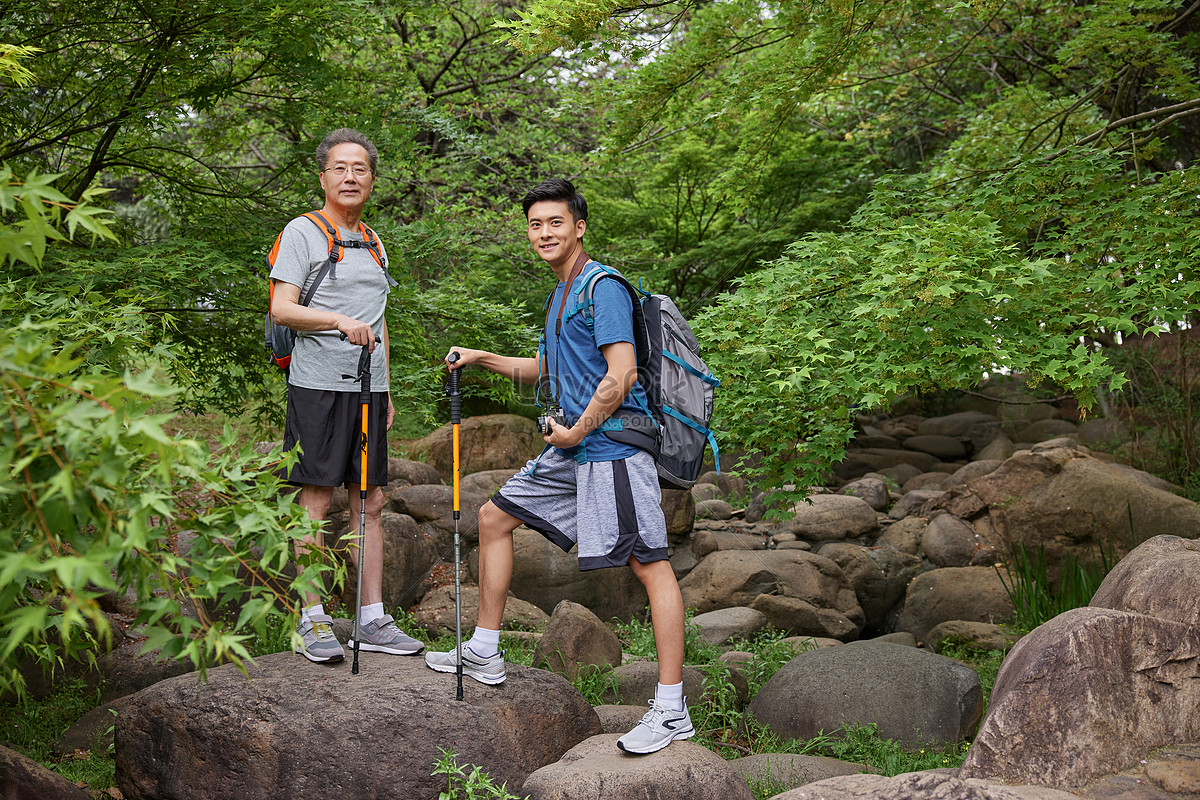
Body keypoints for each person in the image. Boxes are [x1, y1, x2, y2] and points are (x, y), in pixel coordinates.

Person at [425, 178, 693, 754]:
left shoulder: (602, 287)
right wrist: (483, 358)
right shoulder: (561, 292)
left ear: (579, 227)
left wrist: (576, 429)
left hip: (614, 446)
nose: (544, 233)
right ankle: (485, 650)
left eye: (554, 223)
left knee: (649, 565)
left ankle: (671, 709)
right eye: (535, 224)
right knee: (495, 519)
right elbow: (547, 366)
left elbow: (619, 374)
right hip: (571, 448)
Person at [269, 128, 423, 663]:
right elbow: (282, 309)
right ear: (323, 177)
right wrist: (336, 319)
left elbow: (382, 322)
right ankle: (312, 619)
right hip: (317, 387)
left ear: (372, 179)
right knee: (315, 501)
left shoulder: (375, 241)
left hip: (369, 390)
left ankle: (370, 619)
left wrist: (388, 387)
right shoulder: (303, 233)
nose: (350, 176)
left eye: (360, 168)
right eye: (340, 167)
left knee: (370, 503)